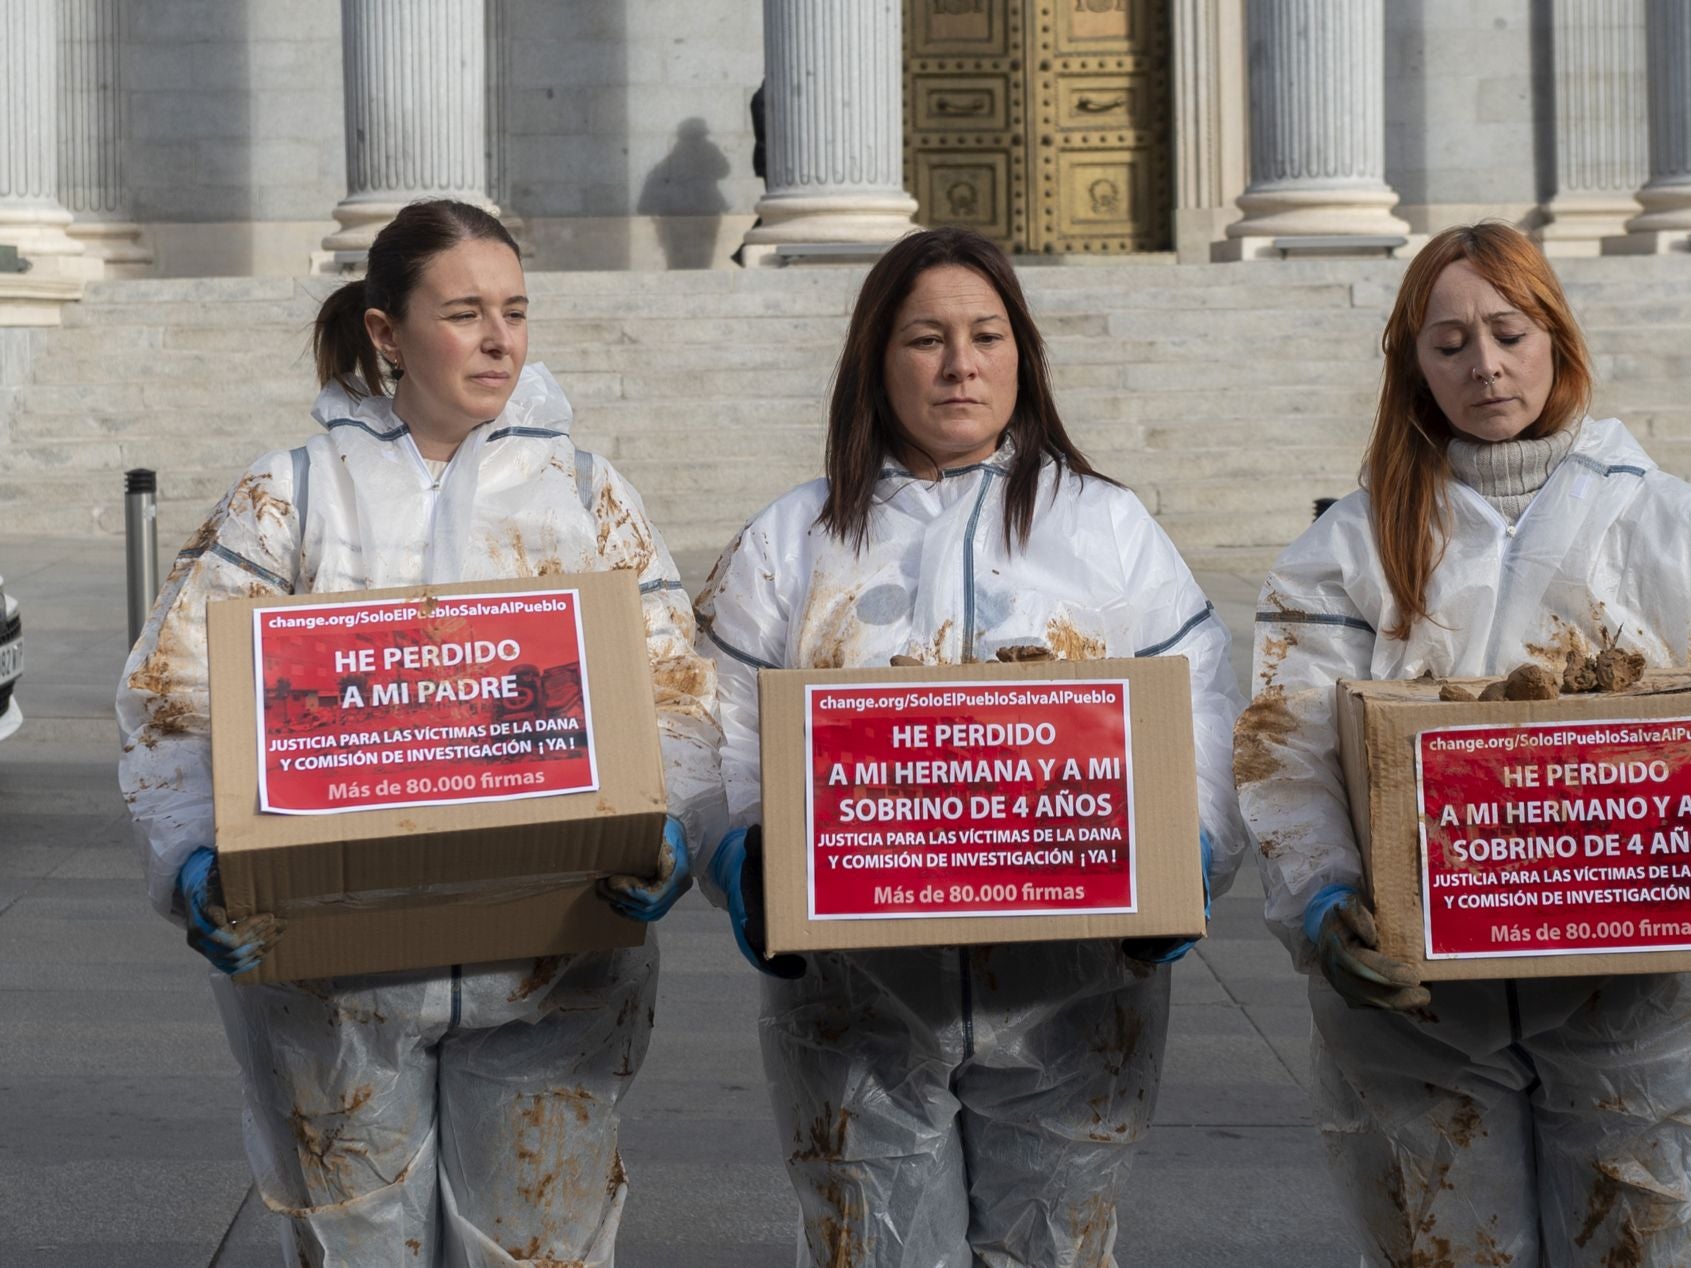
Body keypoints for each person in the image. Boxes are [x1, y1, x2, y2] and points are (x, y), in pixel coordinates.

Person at [1235, 223, 1691, 1267]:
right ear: (1411, 365)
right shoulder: (1347, 546)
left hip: (1640, 992)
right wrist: (1319, 893)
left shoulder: (1671, 522)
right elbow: (1287, 747)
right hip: (1422, 1009)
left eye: (1507, 331)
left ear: (1555, 340)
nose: (1483, 365)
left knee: (1647, 1242)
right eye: (1448, 343)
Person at [117, 200, 726, 1265]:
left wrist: (665, 813)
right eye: (465, 312)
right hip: (337, 980)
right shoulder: (291, 495)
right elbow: (176, 692)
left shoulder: (586, 495)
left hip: (555, 967)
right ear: (387, 333)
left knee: (541, 1245)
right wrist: (192, 856)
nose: (500, 339)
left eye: (516, 311)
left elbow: (675, 682)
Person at [694, 226, 1249, 1266]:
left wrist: (1193, 851)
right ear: (876, 358)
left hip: (1073, 994)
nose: (961, 364)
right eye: (926, 338)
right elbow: (709, 722)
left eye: (987, 334)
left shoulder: (1109, 528)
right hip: (852, 997)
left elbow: (1202, 707)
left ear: (1022, 354)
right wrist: (742, 851)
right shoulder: (792, 540)